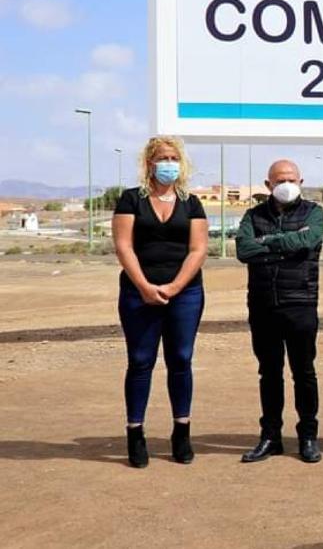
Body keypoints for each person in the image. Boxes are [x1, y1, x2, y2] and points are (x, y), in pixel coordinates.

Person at [111, 136, 208, 468]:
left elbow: (198, 249)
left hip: (186, 293)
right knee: (141, 361)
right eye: (161, 157)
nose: (168, 163)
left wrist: (176, 286)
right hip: (139, 293)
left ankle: (181, 432)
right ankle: (135, 434)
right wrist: (144, 286)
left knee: (181, 359)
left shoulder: (191, 202)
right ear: (149, 163)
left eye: (173, 157)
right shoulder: (130, 200)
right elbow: (124, 246)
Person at [235, 159, 323, 464]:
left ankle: (308, 436)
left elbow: (309, 241)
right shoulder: (253, 215)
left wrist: (268, 242)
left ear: (301, 181)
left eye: (290, 179)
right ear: (268, 185)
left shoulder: (314, 212)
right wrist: (286, 244)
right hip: (263, 305)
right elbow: (244, 250)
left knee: (304, 372)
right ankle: (271, 436)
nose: (285, 184)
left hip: (300, 302)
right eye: (278, 180)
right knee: (269, 373)